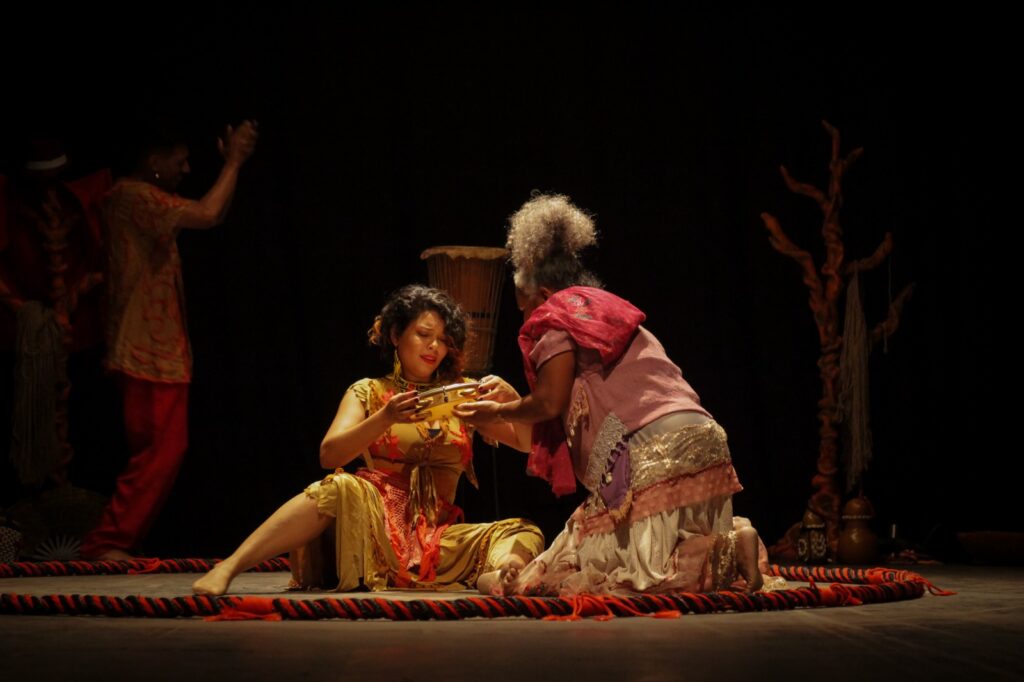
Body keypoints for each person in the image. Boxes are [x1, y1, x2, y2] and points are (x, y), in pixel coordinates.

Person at [457, 193, 773, 596]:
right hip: (703, 439)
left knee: (602, 566)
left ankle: (722, 551)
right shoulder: (606, 310)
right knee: (658, 550)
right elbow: (547, 430)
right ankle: (729, 544)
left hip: (650, 452)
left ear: (543, 294)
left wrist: (503, 412)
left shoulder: (552, 316)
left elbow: (549, 403)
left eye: (524, 307)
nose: (526, 320)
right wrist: (506, 408)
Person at [192, 285, 543, 596]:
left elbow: (526, 445)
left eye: (443, 339)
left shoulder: (461, 396)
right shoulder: (370, 392)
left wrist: (512, 401)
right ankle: (231, 566)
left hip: (436, 540)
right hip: (372, 532)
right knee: (342, 486)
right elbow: (329, 455)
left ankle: (501, 574)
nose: (434, 346)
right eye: (423, 334)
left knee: (522, 531)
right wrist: (385, 417)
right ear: (395, 335)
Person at [79, 120, 259, 560]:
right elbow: (207, 214)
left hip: (156, 346)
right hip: (146, 348)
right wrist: (234, 162)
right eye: (178, 161)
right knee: (159, 451)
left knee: (162, 451)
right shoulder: (133, 195)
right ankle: (107, 543)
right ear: (153, 161)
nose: (185, 168)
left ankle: (116, 542)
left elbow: (210, 213)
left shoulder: (136, 199)